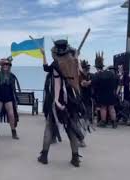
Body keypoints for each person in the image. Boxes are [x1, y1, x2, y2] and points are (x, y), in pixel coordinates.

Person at [38, 39, 89, 167]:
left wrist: (43, 55)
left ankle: (44, 156)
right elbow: (81, 75)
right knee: (71, 127)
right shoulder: (74, 62)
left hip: (56, 100)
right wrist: (77, 57)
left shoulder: (55, 64)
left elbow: (45, 68)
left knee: (49, 126)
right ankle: (75, 158)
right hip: (71, 100)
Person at [0, 56, 21, 140]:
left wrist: (15, 101)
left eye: (7, 64)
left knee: (11, 115)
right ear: (1, 66)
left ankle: (14, 132)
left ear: (9, 66)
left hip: (8, 98)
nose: (5, 66)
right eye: (4, 64)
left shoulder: (11, 76)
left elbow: (13, 89)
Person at [91, 52, 119, 128]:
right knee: (111, 107)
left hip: (102, 93)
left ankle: (103, 122)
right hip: (110, 93)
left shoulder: (97, 75)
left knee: (103, 107)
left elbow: (93, 84)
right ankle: (114, 122)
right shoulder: (110, 73)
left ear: (96, 67)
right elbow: (115, 82)